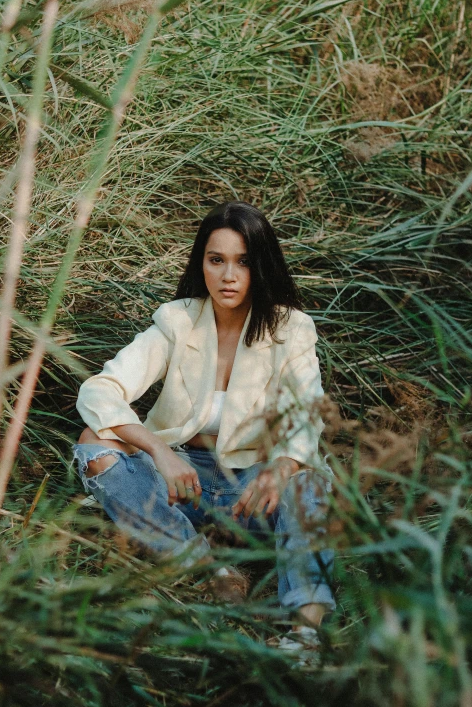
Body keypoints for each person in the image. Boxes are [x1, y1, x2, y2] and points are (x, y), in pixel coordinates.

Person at [72, 201, 335, 651]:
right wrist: (159, 450)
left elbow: (306, 411)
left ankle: (305, 634)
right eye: (216, 260)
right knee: (93, 445)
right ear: (202, 264)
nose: (228, 276)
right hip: (181, 486)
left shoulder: (292, 329)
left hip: (250, 492)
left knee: (308, 481)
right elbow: (99, 390)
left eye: (243, 262)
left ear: (262, 266)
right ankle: (207, 567)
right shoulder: (177, 321)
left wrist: (283, 468)